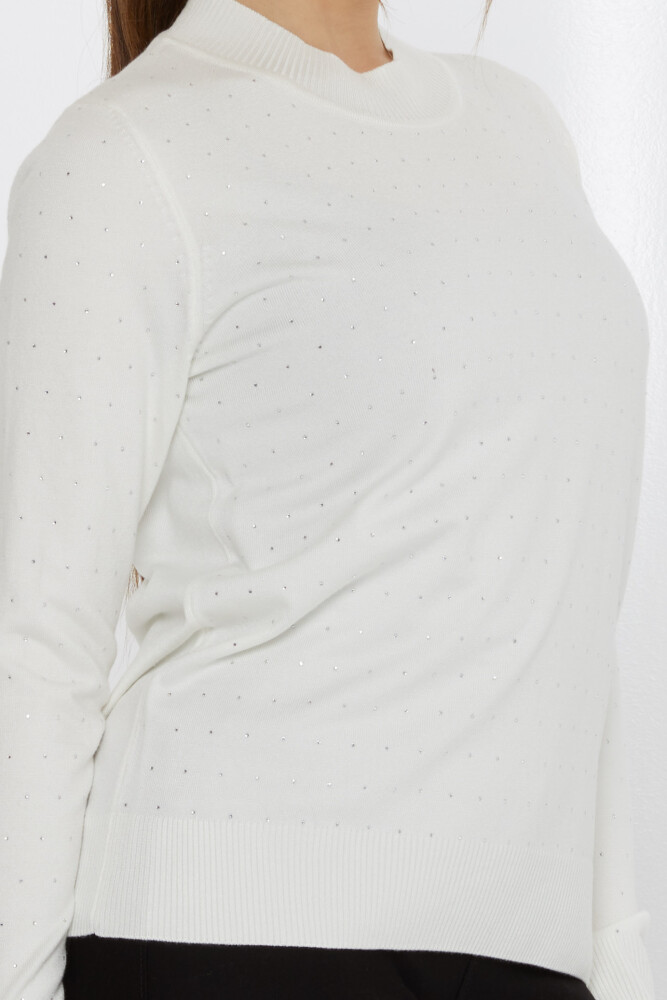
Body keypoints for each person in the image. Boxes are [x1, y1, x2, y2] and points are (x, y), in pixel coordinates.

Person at [0, 0, 656, 998]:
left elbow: (560, 588)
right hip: (225, 940)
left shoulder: (520, 126)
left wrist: (619, 956)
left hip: (524, 948)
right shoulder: (126, 152)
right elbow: (35, 641)